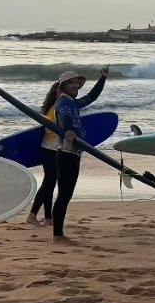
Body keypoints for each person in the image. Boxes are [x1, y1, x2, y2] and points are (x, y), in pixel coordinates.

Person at [27, 68, 108, 229]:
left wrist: (102, 79)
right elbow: (63, 118)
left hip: (65, 149)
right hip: (58, 149)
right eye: (72, 83)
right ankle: (41, 221)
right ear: (62, 86)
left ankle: (49, 219)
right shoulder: (62, 103)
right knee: (56, 187)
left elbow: (91, 97)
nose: (77, 86)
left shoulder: (71, 102)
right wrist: (69, 130)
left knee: (55, 186)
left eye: (78, 84)